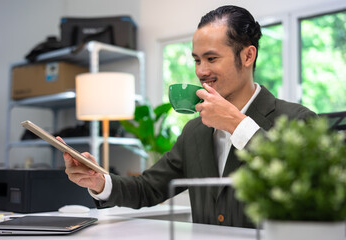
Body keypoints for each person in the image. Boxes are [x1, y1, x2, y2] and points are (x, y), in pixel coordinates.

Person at [61, 5, 317, 228]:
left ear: (248, 55)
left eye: (211, 58)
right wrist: (99, 181)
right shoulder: (195, 132)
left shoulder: (298, 120)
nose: (202, 71)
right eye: (197, 60)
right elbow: (148, 188)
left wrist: (237, 125)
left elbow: (308, 191)